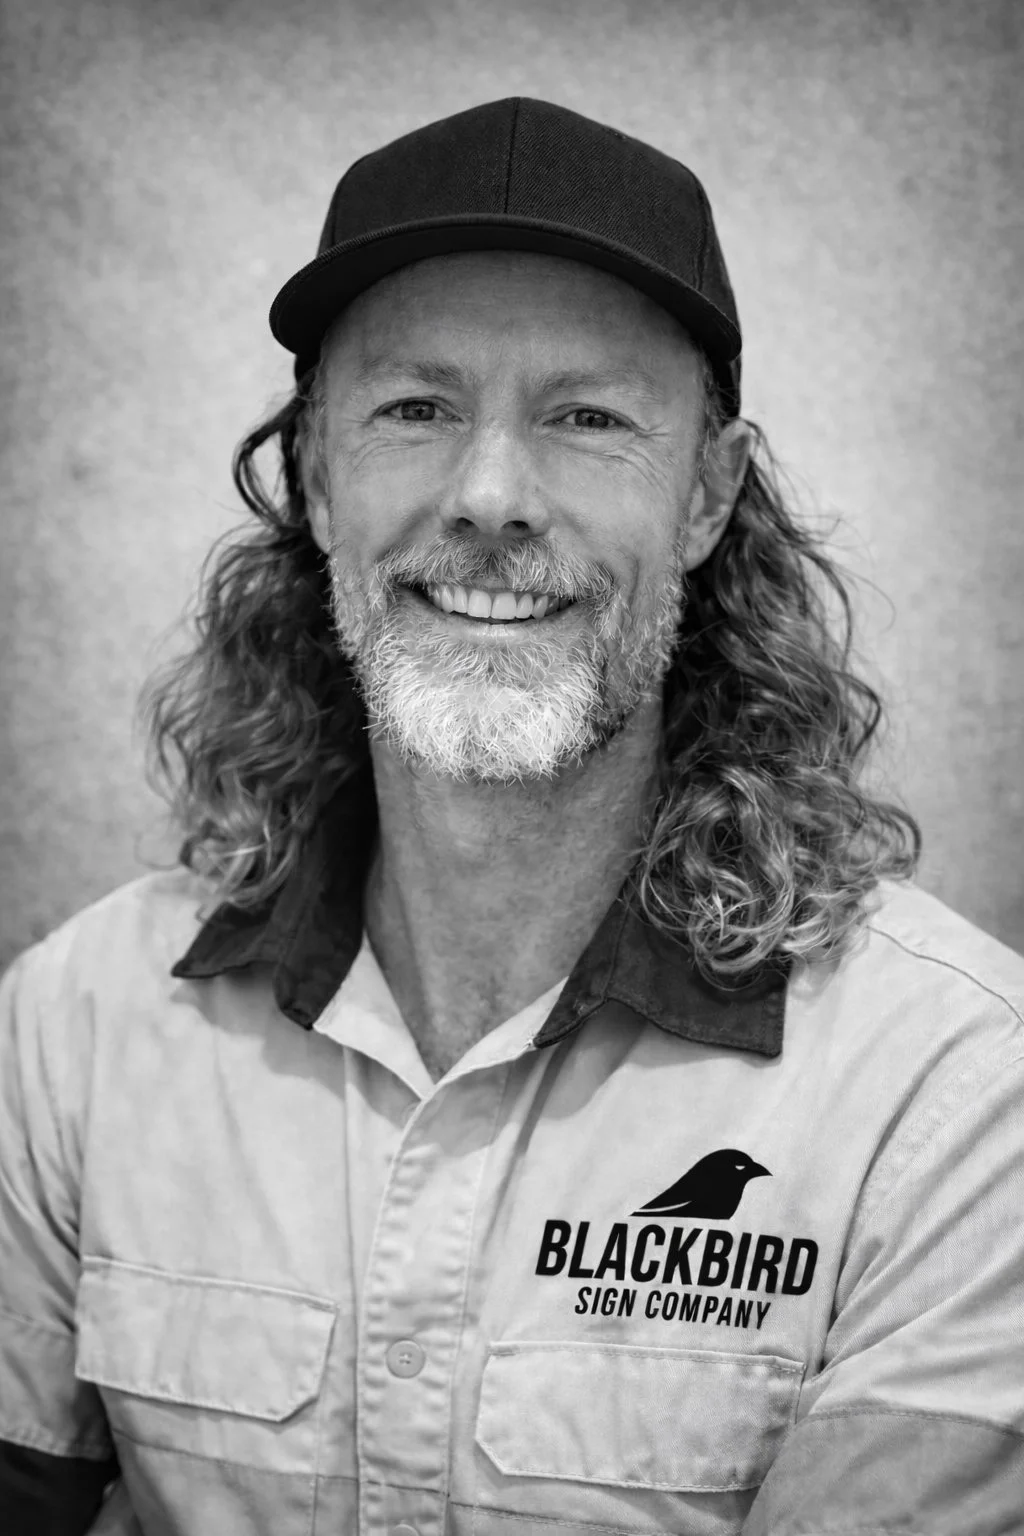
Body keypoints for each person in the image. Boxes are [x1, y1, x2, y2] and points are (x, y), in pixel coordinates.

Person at [0, 97, 1021, 1536]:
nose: (489, 497)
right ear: (316, 474)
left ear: (708, 496)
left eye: (587, 418)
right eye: (415, 408)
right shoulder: (74, 1030)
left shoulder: (957, 1092)